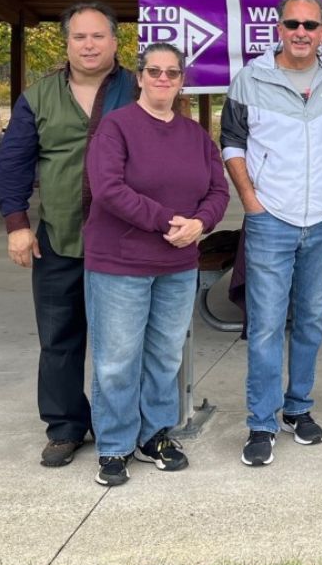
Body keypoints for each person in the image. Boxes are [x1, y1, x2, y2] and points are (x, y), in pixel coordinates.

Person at [0, 1, 137, 467]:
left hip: (124, 241)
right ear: (67, 43)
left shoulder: (138, 90)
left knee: (123, 342)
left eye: (98, 36)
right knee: (59, 338)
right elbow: (13, 163)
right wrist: (17, 224)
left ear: (116, 42)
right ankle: (65, 426)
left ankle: (123, 423)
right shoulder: (37, 97)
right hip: (59, 236)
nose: (89, 44)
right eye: (80, 37)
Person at [83, 43, 229, 486]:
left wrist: (200, 223)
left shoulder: (196, 136)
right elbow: (108, 188)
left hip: (178, 263)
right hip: (119, 262)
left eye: (172, 73)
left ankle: (154, 436)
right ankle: (114, 446)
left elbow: (218, 192)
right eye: (154, 71)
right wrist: (168, 221)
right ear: (140, 77)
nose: (163, 79)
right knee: (117, 358)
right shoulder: (116, 127)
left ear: (182, 80)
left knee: (164, 355)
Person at [220, 0, 322, 466]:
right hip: (270, 219)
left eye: (310, 25)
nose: (301, 32)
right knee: (267, 325)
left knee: (313, 322)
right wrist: (251, 203)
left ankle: (298, 408)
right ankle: (261, 421)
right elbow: (231, 143)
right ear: (278, 29)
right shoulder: (250, 78)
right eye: (292, 24)